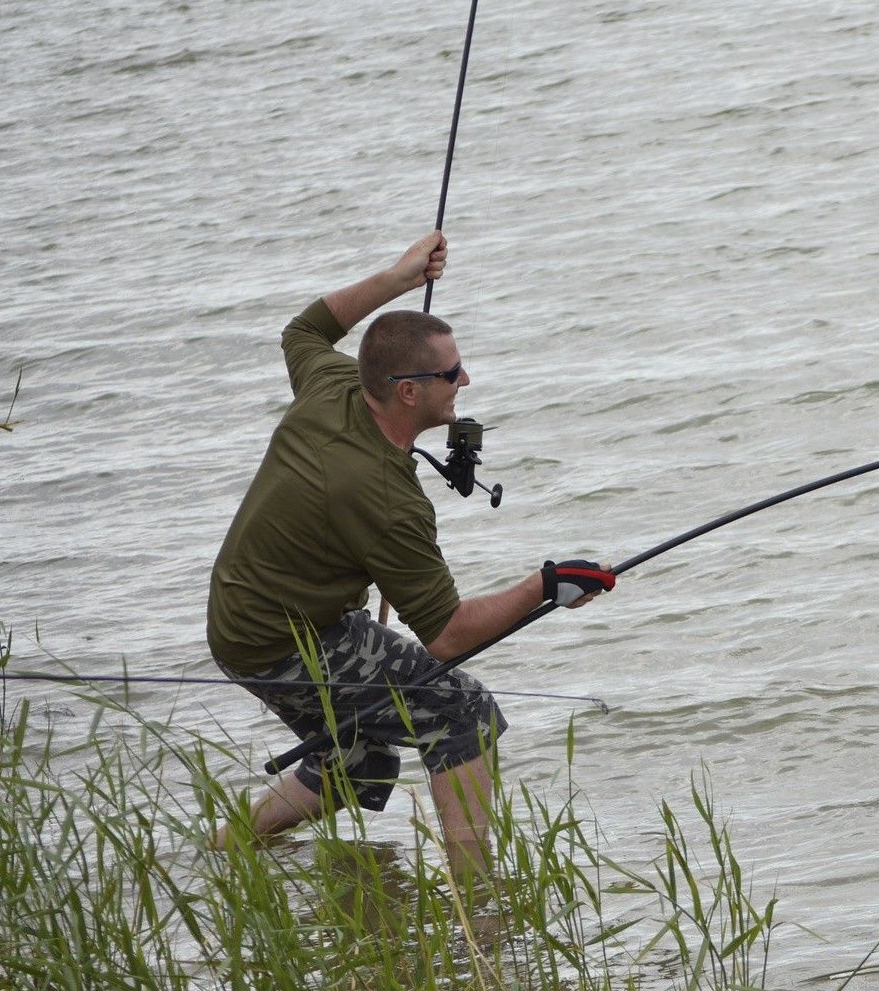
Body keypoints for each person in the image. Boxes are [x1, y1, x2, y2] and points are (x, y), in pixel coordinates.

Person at [207, 231, 613, 878]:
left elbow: (304, 329)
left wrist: (400, 277)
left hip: (244, 613)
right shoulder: (383, 499)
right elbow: (450, 636)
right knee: (462, 711)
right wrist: (547, 584)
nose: (466, 379)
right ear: (406, 391)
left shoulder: (333, 380)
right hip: (278, 639)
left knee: (361, 757)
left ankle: (227, 849)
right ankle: (480, 903)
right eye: (451, 373)